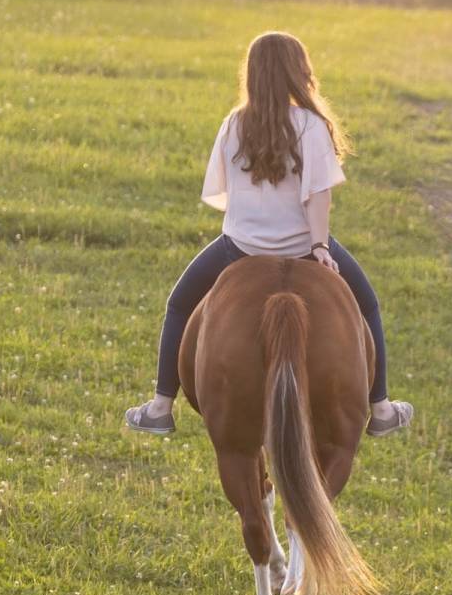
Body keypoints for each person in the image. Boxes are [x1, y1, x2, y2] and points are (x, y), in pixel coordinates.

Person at [125, 31, 414, 438]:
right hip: (302, 247)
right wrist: (318, 247)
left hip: (239, 248)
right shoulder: (311, 126)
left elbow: (225, 190)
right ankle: (382, 409)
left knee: (179, 304)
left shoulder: (234, 124)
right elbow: (317, 195)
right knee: (367, 305)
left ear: (253, 74)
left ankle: (159, 407)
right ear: (298, 72)